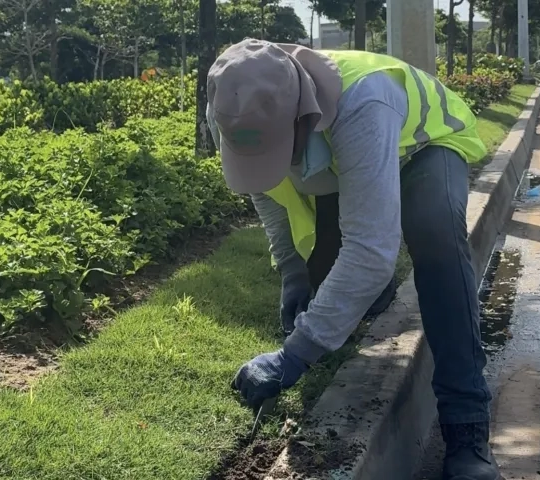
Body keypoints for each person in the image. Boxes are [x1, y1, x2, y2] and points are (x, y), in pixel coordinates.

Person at [206, 39, 500, 480]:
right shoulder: (232, 103)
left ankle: (466, 427)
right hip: (340, 158)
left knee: (435, 236)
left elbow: (371, 251)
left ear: (302, 120)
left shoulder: (364, 101)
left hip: (422, 146)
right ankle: (367, 302)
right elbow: (265, 191)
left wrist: (294, 356)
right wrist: (292, 272)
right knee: (326, 282)